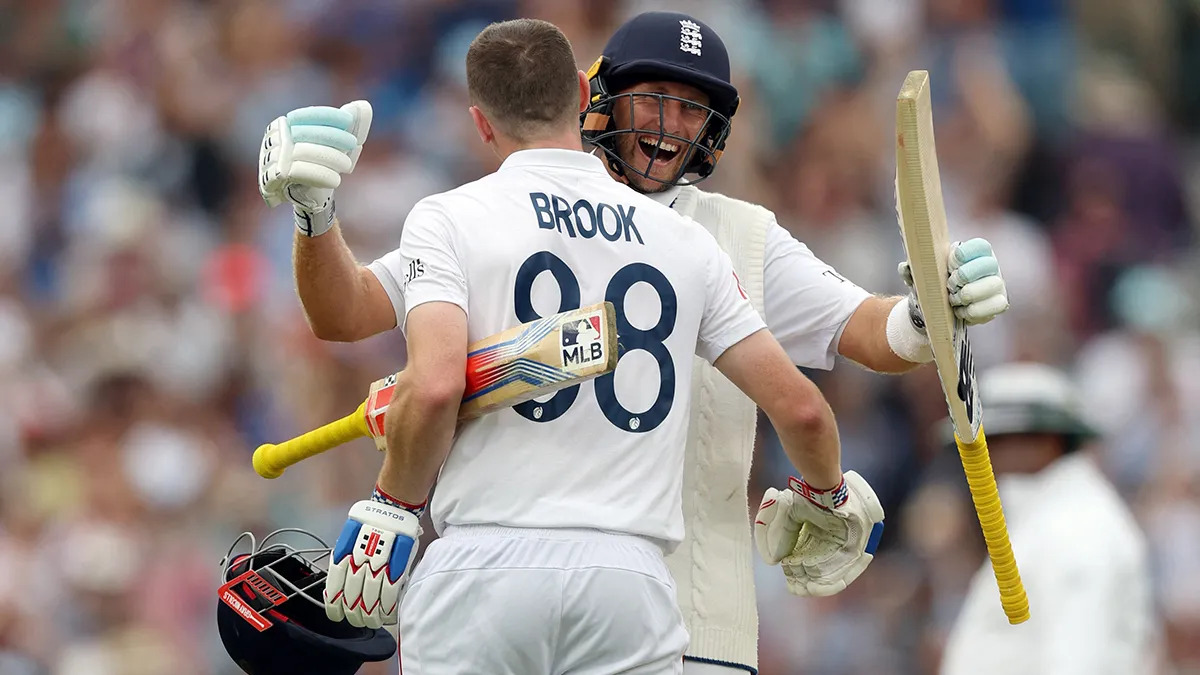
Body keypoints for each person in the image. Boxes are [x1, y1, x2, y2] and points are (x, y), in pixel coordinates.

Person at [257, 18, 884, 674]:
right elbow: (802, 409)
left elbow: (412, 369)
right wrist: (827, 495)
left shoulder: (455, 217)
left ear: (480, 124)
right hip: (630, 585)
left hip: (485, 566)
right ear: (583, 97)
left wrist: (394, 505)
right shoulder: (687, 242)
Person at [577, 11, 1012, 673]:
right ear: (604, 100)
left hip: (693, 617)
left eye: (692, 108)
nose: (670, 124)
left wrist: (929, 312)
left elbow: (868, 330)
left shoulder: (741, 235)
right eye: (654, 97)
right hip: (557, 601)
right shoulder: (529, 208)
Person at [938, 362, 1160, 674]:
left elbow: (1079, 660)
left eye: (993, 441)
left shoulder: (1078, 527)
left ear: (1046, 441)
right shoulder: (1048, 517)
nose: (982, 457)